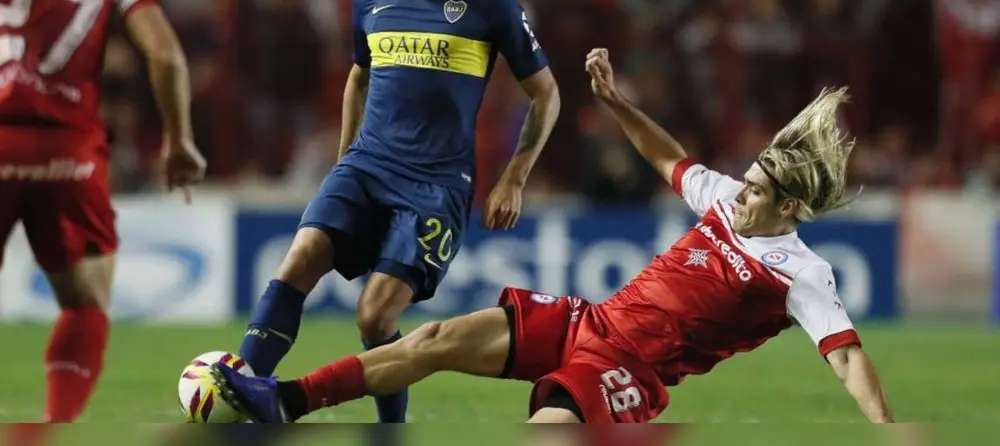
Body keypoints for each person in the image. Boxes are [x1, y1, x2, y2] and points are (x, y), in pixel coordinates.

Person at [214, 48, 894, 424]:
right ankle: (287, 400)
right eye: (744, 181)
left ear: (794, 207)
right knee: (437, 339)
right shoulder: (724, 198)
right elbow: (668, 158)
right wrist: (619, 104)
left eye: (756, 191)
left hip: (629, 369)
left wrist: (891, 432)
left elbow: (847, 358)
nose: (739, 192)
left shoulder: (801, 274)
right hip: (586, 323)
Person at [235, 0, 561, 425]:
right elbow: (358, 79)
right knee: (300, 257)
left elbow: (546, 93)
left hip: (435, 185)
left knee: (375, 315)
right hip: (366, 166)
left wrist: (514, 177)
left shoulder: (490, 5)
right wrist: (345, 159)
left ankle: (390, 430)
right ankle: (243, 392)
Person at [0, 0, 205, 422]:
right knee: (86, 301)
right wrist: (178, 140)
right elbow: (164, 55)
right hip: (66, 148)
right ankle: (42, 433)